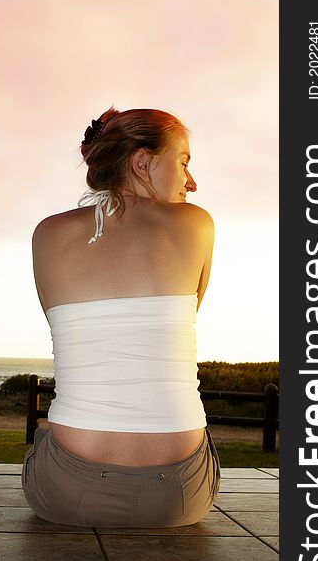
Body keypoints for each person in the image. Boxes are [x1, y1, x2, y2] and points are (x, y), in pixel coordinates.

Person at [22, 106, 220, 528]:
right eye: (183, 162)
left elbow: (62, 325)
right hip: (178, 497)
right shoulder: (197, 225)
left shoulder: (47, 233)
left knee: (45, 438)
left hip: (67, 493)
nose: (192, 182)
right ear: (143, 162)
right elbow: (188, 309)